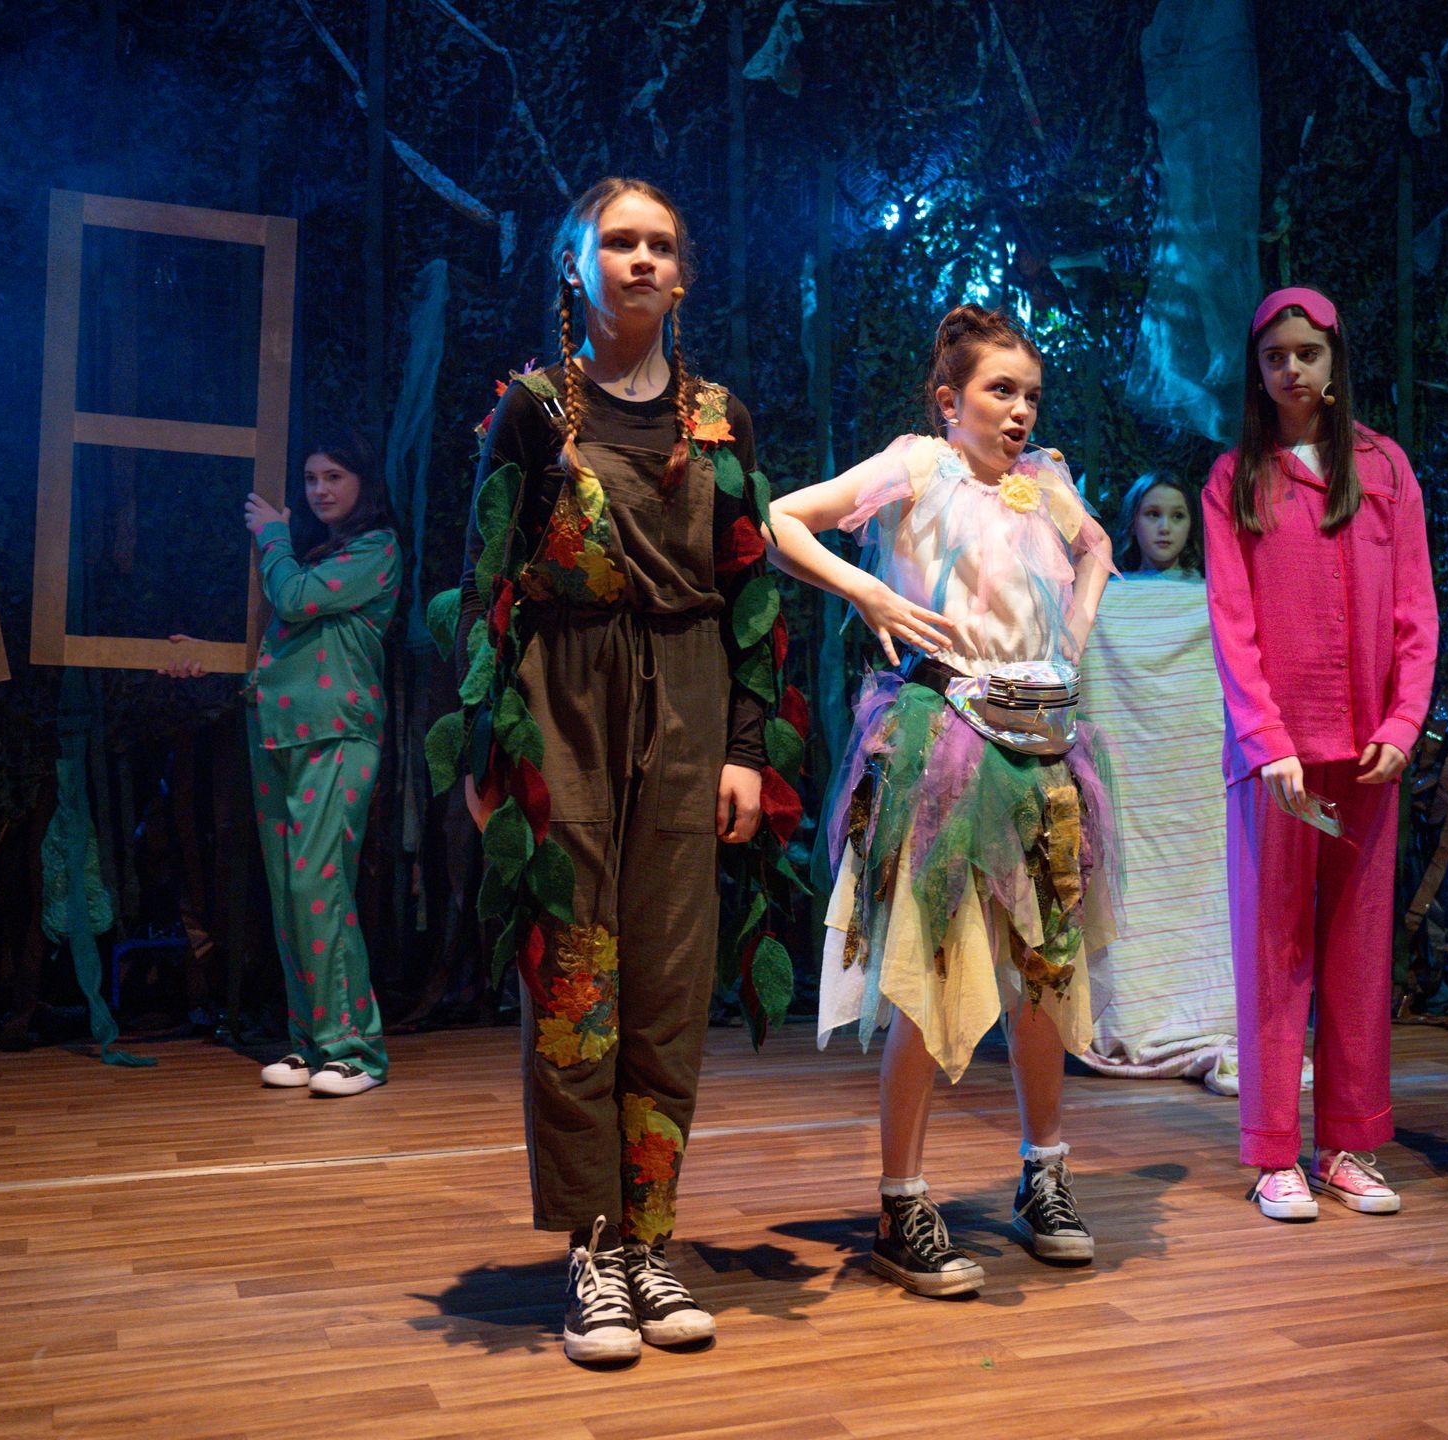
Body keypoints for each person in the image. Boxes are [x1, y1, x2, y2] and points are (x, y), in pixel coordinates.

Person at [455, 177, 777, 1362]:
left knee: (670, 982)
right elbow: (486, 583)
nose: (642, 259)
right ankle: (591, 1248)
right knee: (576, 978)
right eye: (619, 242)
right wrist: (485, 745)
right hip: (565, 701)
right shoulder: (534, 411)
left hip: (687, 703)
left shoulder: (723, 420)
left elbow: (751, 596)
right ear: (574, 266)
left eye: (661, 245)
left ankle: (651, 1239)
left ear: (682, 276)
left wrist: (746, 750)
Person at [766, 304, 1118, 1297]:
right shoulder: (919, 467)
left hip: (1038, 744)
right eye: (1000, 391)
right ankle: (902, 1200)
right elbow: (782, 519)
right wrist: (868, 593)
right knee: (932, 970)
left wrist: (1074, 636)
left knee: (1043, 973)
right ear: (949, 400)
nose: (1019, 411)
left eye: (1031, 395)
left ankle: (1044, 1174)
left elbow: (1096, 548)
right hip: (946, 741)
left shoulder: (1045, 484)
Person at [1202, 286, 1438, 1221]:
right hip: (1280, 761)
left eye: (1306, 353)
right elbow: (1231, 619)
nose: (1291, 369)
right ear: (1256, 370)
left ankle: (1347, 1144)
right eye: (1274, 357)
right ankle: (1273, 1153)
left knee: (1359, 946)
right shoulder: (1235, 479)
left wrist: (1403, 723)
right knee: (1276, 949)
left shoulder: (1384, 467)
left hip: (1368, 751)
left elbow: (1415, 609)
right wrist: (1266, 739)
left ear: (1334, 358)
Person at [165, 430, 402, 1096]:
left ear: (362, 483)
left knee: (317, 889)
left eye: (334, 477)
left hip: (337, 733)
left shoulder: (376, 549)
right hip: (274, 733)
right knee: (289, 899)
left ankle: (357, 1050)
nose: (320, 489)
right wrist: (205, 653)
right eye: (311, 478)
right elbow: (286, 633)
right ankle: (312, 1041)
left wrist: (271, 534)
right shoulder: (317, 555)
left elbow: (295, 599)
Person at [1079, 473, 1242, 1087]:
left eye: (1177, 515)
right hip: (1134, 785)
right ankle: (1134, 1011)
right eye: (1152, 514)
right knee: (1133, 889)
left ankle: (1206, 1011)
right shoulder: (1107, 598)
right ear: (1133, 521)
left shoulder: (1213, 598)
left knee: (1203, 890)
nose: (1165, 527)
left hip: (1194, 784)